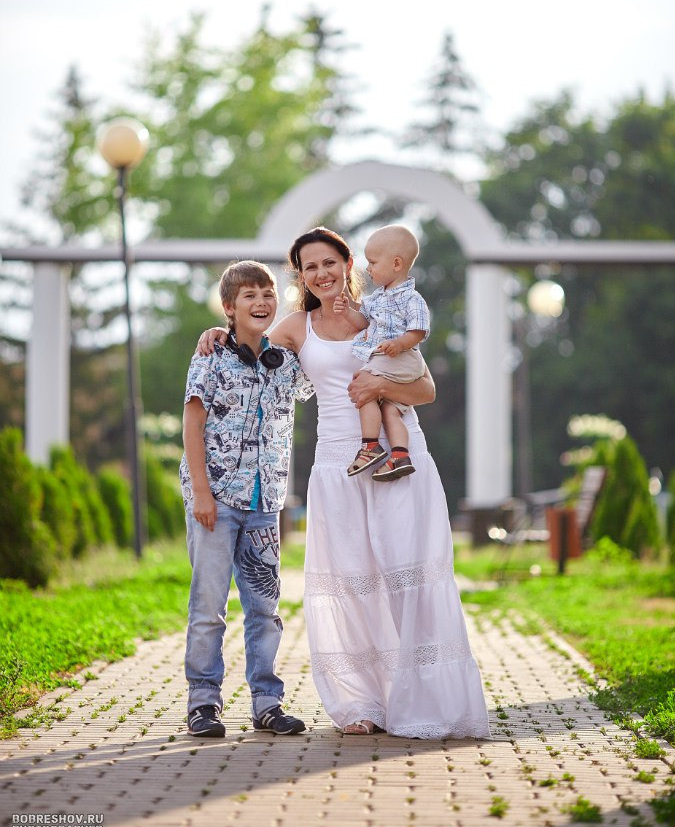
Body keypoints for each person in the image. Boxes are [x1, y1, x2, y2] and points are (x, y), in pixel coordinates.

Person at [197, 227, 490, 740]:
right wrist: (215, 333)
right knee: (353, 583)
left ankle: (424, 702)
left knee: (408, 579)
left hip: (401, 459)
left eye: (329, 262)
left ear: (348, 263)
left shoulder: (382, 313)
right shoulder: (295, 327)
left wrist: (380, 384)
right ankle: (361, 702)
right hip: (338, 464)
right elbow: (248, 340)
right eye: (310, 267)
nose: (322, 274)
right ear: (301, 277)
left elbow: (425, 387)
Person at [181, 260, 313, 738]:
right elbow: (192, 425)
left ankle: (267, 702)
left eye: (268, 294)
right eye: (249, 295)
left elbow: (325, 366)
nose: (261, 302)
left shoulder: (286, 361)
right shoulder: (210, 356)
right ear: (229, 307)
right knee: (209, 606)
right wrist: (201, 491)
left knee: (265, 608)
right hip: (215, 499)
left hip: (265, 501)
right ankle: (203, 704)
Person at [332, 224, 430, 482]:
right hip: (392, 360)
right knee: (391, 409)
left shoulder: (411, 298)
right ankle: (400, 455)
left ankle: (370, 446)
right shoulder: (376, 299)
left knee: (364, 389)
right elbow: (362, 322)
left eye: (373, 262)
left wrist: (400, 343)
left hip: (401, 357)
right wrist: (346, 312)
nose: (368, 269)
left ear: (397, 264)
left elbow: (419, 330)